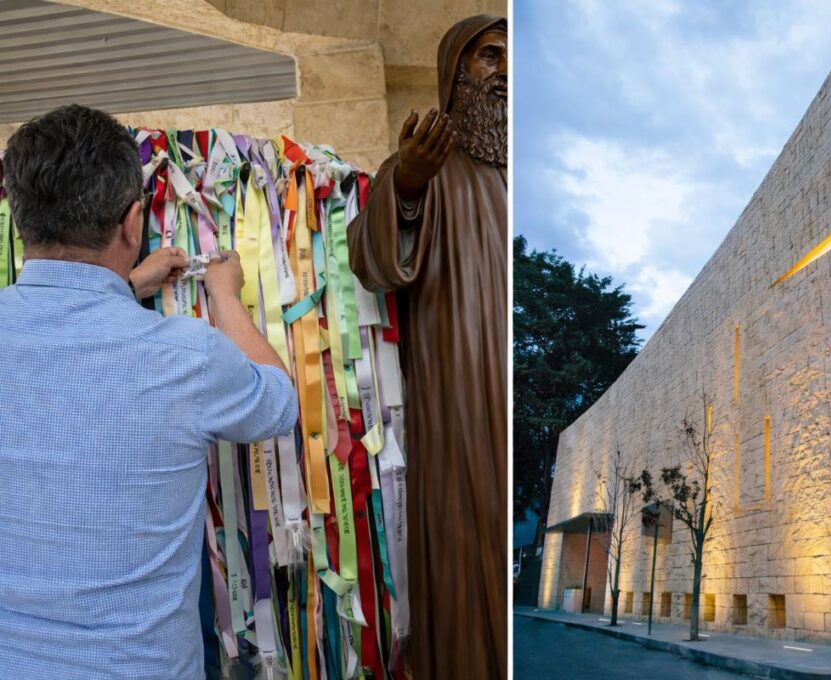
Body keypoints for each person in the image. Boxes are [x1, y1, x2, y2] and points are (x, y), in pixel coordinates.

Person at [0, 104, 297, 679]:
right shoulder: (187, 356)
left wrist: (125, 284)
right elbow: (279, 401)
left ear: (19, 215)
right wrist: (226, 296)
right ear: (133, 223)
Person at [348, 14, 507, 680]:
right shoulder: (429, 167)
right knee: (463, 547)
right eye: (489, 56)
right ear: (454, 72)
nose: (505, 72)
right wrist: (408, 186)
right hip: (458, 386)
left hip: (508, 382)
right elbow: (372, 259)